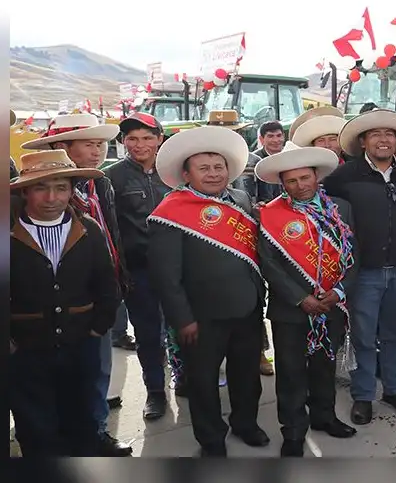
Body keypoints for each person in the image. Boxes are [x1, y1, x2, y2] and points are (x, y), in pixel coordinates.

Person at [148, 125, 270, 457]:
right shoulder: (170, 211)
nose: (213, 174)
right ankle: (211, 438)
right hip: (200, 317)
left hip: (247, 308)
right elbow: (165, 275)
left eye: (219, 167)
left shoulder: (241, 198)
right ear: (186, 173)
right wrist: (182, 319)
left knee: (247, 376)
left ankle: (246, 423)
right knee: (203, 383)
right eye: (204, 168)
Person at [21, 113, 133, 457]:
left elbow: (107, 246)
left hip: (87, 316)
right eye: (88, 144)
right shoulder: (17, 222)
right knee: (38, 405)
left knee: (89, 383)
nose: (98, 151)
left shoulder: (98, 191)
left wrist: (102, 318)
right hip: (32, 332)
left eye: (101, 144)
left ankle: (94, 433)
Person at [255, 143, 359, 456]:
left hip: (332, 306)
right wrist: (301, 298)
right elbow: (268, 265)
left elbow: (355, 255)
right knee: (290, 371)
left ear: (316, 176)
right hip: (290, 310)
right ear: (282, 184)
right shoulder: (270, 214)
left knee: (324, 365)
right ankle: (294, 431)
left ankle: (324, 416)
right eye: (292, 181)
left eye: (305, 178)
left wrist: (339, 292)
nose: (300, 186)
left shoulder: (341, 208)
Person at [323, 109, 396, 425]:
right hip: (362, 273)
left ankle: (394, 389)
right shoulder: (343, 177)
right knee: (363, 336)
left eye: (389, 134)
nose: (383, 139)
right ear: (363, 141)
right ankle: (363, 395)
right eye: (375, 134)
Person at [104, 113, 172, 419]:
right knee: (147, 333)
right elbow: (110, 227)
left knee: (186, 327)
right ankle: (156, 392)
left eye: (147, 137)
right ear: (122, 142)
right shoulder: (111, 178)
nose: (139, 144)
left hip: (179, 269)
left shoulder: (175, 172)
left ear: (159, 138)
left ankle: (184, 379)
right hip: (139, 272)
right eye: (132, 138)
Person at [205, 109, 275, 377]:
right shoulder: (200, 161)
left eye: (232, 130)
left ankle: (258, 351)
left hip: (245, 234)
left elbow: (266, 195)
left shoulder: (252, 160)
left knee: (252, 298)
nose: (227, 135)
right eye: (220, 130)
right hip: (210, 233)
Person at [252, 120, 287, 204]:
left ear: (284, 136)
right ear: (261, 139)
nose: (276, 140)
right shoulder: (253, 161)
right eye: (270, 136)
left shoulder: (291, 156)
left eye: (279, 135)